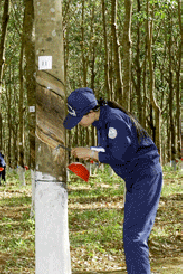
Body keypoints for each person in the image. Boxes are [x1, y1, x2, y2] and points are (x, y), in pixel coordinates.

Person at [64, 87, 162, 274]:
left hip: (145, 176)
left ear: (90, 112)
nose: (78, 123)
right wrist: (91, 152)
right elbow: (114, 147)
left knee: (134, 238)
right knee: (131, 236)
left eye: (79, 119)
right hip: (136, 178)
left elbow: (121, 155)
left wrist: (91, 153)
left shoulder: (114, 120)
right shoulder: (103, 120)